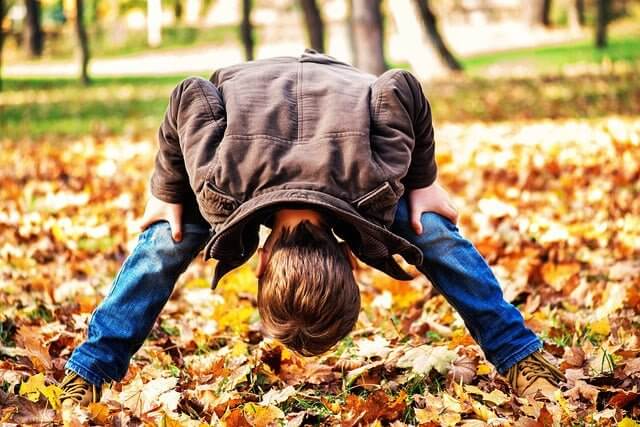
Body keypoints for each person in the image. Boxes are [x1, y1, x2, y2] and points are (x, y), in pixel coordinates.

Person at [60, 49, 564, 406]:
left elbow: (400, 87)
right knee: (166, 236)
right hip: (261, 106)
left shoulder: (372, 183)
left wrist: (423, 186)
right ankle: (89, 370)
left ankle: (519, 356)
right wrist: (165, 194)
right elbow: (189, 95)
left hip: (330, 93)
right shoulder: (222, 185)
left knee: (427, 225)